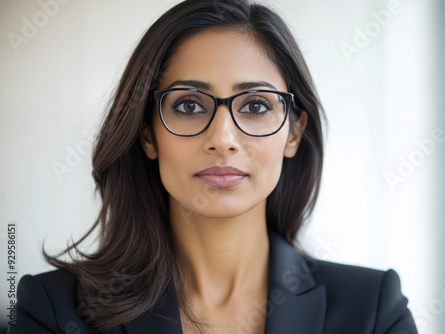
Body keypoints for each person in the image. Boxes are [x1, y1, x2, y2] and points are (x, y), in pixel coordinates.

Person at [9, 0, 418, 333]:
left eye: (256, 106)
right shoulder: (53, 311)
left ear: (293, 135)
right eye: (188, 105)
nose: (223, 138)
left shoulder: (373, 310)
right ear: (148, 135)